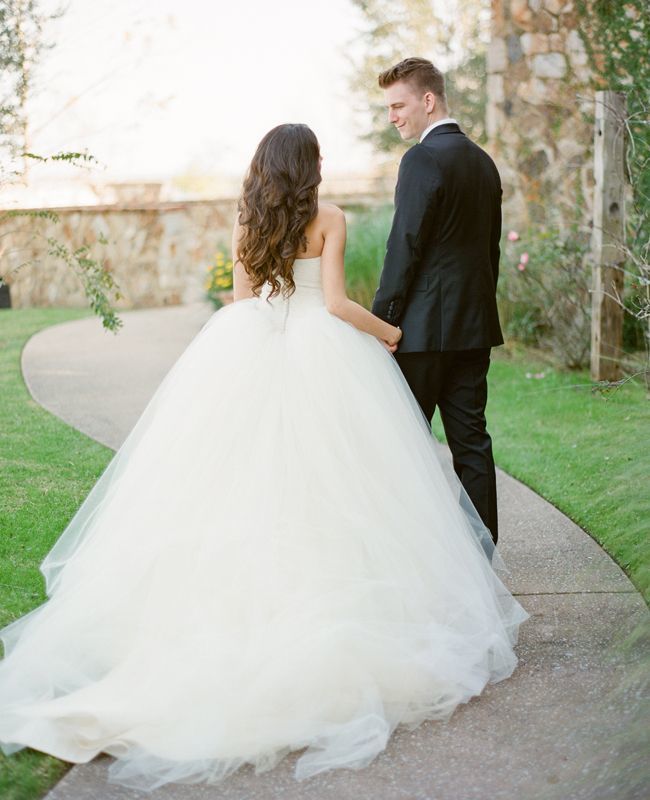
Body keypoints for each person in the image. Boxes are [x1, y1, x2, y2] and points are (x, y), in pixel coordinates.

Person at [0, 123, 529, 794]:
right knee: (337, 483)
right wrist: (390, 331)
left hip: (253, 344)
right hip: (321, 347)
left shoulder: (246, 215)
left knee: (237, 482)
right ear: (309, 166)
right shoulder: (328, 216)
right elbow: (335, 303)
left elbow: (244, 302)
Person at [372, 57, 504, 545]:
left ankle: (408, 556)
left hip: (421, 335)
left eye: (398, 105)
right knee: (472, 444)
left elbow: (403, 247)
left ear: (428, 100)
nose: (393, 117)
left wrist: (380, 324)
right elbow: (489, 252)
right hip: (473, 330)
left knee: (402, 447)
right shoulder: (482, 161)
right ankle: (481, 556)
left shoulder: (421, 159)